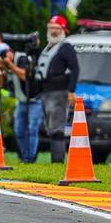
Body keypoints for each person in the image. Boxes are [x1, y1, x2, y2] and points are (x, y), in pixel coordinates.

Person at [36, 15, 79, 163]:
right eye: (51, 28)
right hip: (46, 92)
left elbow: (75, 68)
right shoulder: (49, 46)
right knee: (50, 127)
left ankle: (57, 161)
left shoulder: (65, 47)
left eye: (56, 28)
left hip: (59, 92)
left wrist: (71, 90)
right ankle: (55, 159)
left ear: (63, 30)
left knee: (56, 129)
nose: (53, 31)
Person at [0, 41, 41, 163]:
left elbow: (24, 76)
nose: (3, 58)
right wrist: (2, 70)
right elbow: (1, 84)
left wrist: (9, 64)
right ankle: (24, 157)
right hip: (21, 101)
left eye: (4, 54)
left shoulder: (21, 58)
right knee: (18, 130)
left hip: (34, 100)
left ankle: (30, 158)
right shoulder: (6, 64)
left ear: (10, 51)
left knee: (32, 129)